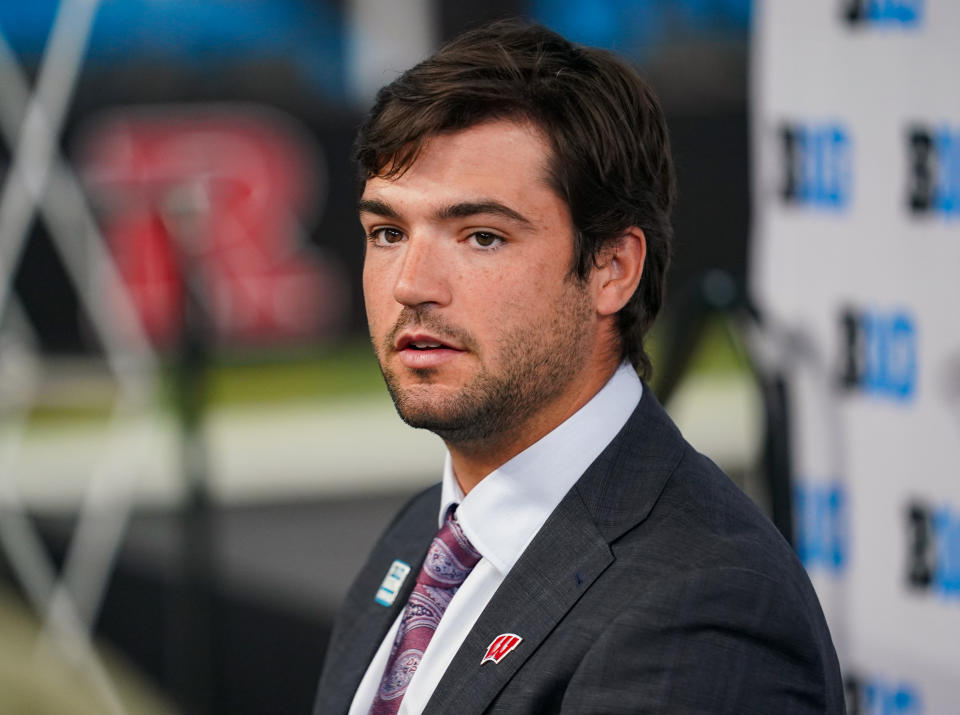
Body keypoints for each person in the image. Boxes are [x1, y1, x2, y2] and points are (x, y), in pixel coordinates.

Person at [314, 19, 844, 715]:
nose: (411, 283)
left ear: (613, 268)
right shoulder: (423, 529)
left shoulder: (707, 602)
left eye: (481, 236)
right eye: (388, 232)